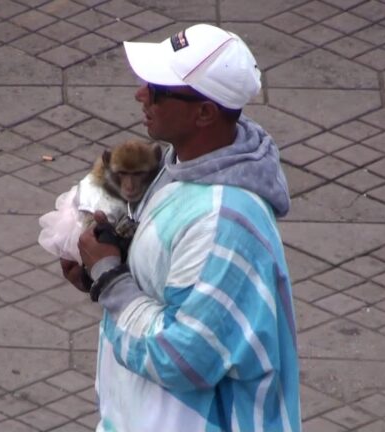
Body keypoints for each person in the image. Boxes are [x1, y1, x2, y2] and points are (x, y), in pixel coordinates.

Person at [60, 23, 301, 432]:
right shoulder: (182, 166)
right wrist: (101, 270)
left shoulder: (225, 223)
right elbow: (168, 284)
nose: (141, 95)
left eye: (157, 90)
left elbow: (184, 357)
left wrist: (111, 279)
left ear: (204, 113)